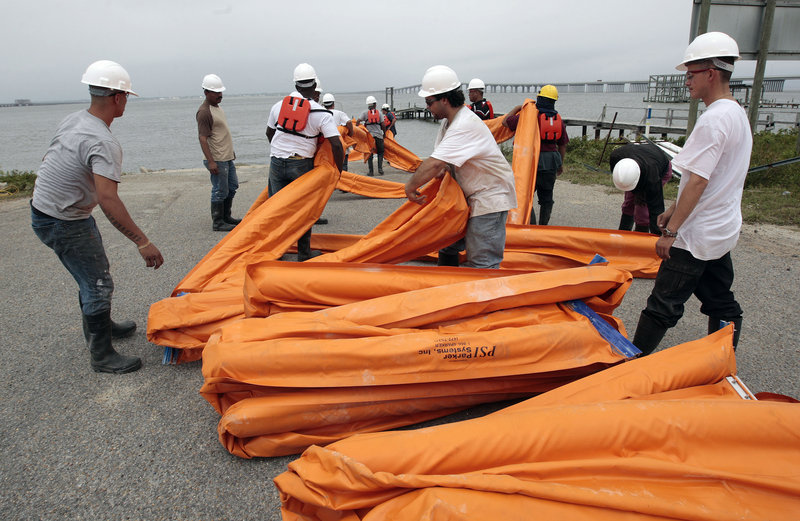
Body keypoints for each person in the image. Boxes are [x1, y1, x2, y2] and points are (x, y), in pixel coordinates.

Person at [30, 60, 164, 374]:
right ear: (118, 97)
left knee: (91, 274)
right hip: (63, 219)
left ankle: (101, 326)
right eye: (127, 96)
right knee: (98, 284)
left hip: (48, 208)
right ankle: (102, 354)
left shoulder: (75, 119)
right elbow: (108, 198)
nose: (126, 101)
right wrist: (142, 242)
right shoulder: (103, 141)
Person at [632, 32, 751, 355]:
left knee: (662, 306)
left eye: (690, 73)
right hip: (719, 229)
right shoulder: (736, 113)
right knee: (720, 302)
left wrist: (671, 231)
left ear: (710, 73)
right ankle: (723, 363)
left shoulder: (713, 120)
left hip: (696, 235)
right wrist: (673, 208)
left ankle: (628, 369)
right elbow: (709, 179)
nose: (686, 81)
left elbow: (698, 181)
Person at [405, 65, 517, 269]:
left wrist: (410, 187)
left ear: (444, 99)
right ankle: (447, 289)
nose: (427, 108)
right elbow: (441, 164)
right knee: (446, 243)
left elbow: (435, 163)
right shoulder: (448, 123)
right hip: (466, 197)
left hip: (488, 198)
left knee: (482, 261)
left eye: (429, 102)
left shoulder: (464, 124)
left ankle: (485, 298)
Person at [265, 63, 344, 261]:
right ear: (315, 84)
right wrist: (338, 170)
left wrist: (279, 152)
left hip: (276, 162)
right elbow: (336, 144)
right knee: (304, 209)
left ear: (296, 84)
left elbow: (269, 132)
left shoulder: (278, 106)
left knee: (276, 209)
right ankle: (303, 252)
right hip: (301, 165)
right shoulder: (320, 113)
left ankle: (277, 251)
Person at [502, 84, 568, 225]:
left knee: (526, 196)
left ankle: (531, 226)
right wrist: (560, 164)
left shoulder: (530, 116)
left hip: (532, 162)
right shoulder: (558, 120)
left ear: (539, 98)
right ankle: (543, 226)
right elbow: (562, 144)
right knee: (547, 197)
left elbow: (505, 122)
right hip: (551, 162)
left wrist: (518, 108)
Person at [196, 73, 239, 232]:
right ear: (206, 92)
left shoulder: (217, 107)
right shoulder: (204, 112)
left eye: (221, 92)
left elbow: (221, 133)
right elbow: (202, 138)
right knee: (220, 189)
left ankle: (226, 216)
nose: (220, 95)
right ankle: (218, 222)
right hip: (217, 158)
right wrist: (211, 161)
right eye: (216, 92)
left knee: (232, 186)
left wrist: (231, 153)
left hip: (226, 157)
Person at [609, 143, 672, 234]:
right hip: (642, 160)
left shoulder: (652, 178)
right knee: (629, 203)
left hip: (660, 168)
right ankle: (622, 234)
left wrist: (657, 238)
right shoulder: (616, 157)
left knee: (642, 209)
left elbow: (656, 210)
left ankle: (642, 237)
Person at [322, 92, 353, 172]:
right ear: (333, 103)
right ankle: (343, 182)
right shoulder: (339, 113)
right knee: (343, 166)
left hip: (325, 147)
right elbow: (349, 122)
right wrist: (350, 134)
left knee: (328, 168)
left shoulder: (321, 113)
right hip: (339, 145)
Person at [357, 96, 385, 176]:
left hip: (369, 137)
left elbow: (358, 121)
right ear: (375, 104)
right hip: (379, 135)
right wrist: (384, 134)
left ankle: (371, 171)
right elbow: (383, 124)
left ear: (368, 105)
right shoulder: (379, 113)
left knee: (370, 154)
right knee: (380, 152)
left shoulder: (364, 113)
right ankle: (380, 169)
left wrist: (359, 129)